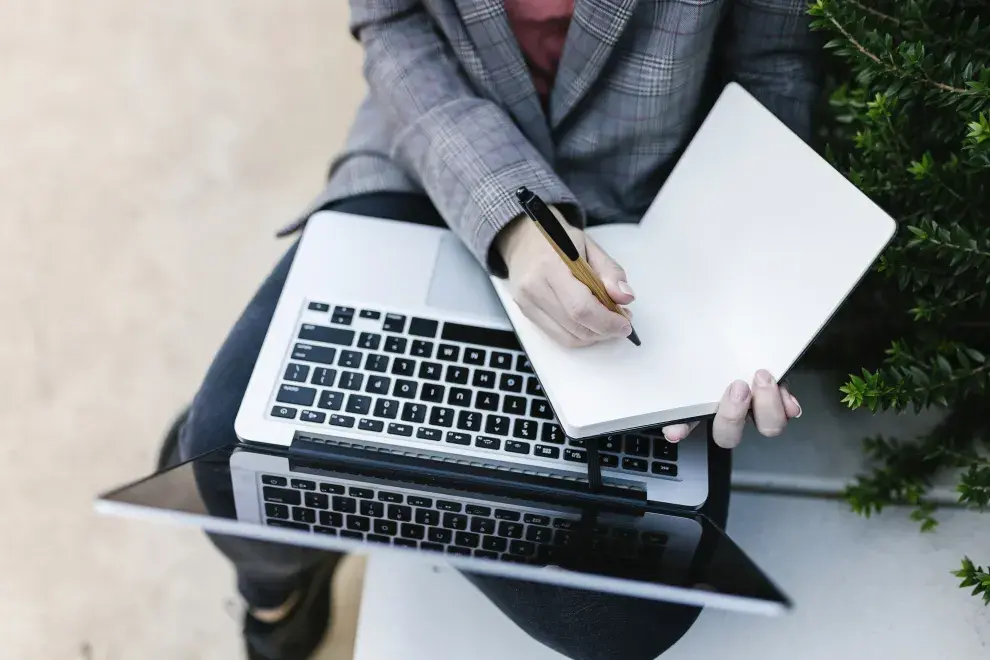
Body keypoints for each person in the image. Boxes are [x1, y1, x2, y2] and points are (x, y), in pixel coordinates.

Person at [169, 1, 820, 658]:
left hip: (648, 229)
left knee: (626, 611)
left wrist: (751, 295)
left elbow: (773, 67)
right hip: (432, 156)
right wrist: (507, 217)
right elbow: (394, 27)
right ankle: (279, 582)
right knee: (222, 456)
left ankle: (327, 499)